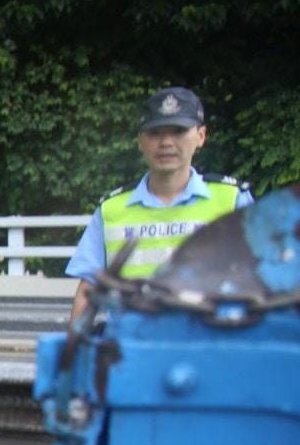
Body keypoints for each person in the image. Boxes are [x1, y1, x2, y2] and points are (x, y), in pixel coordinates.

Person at [67, 87, 252, 321]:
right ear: (140, 141)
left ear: (201, 136)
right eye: (154, 133)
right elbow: (88, 290)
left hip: (211, 346)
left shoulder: (233, 200)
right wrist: (75, 353)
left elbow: (267, 279)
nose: (166, 142)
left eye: (178, 131)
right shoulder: (111, 209)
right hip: (130, 350)